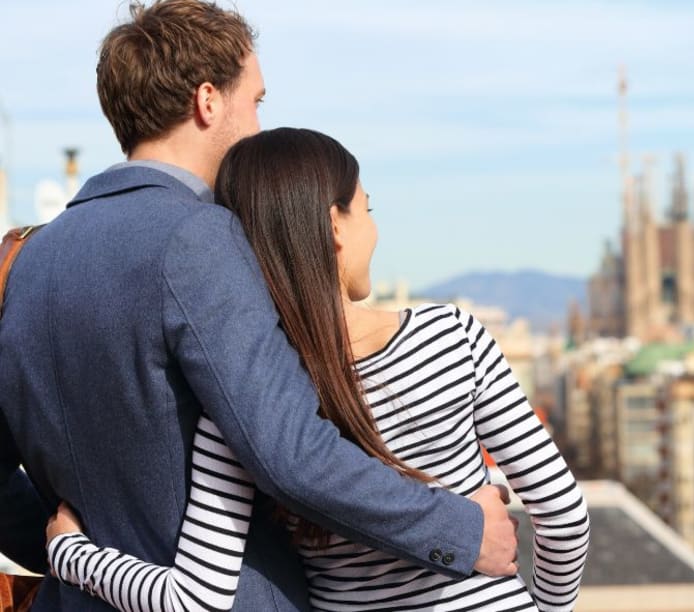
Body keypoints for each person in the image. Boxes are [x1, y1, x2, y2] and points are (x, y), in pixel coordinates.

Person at [0, 2, 519, 610]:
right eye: (257, 102)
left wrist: (70, 554)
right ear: (208, 101)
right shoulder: (199, 238)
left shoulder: (30, 261)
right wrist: (459, 529)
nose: (258, 125)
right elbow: (290, 451)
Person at [46, 128, 590, 611]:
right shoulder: (453, 337)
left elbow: (194, 599)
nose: (374, 232)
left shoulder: (248, 395)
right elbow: (563, 514)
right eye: (368, 210)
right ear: (335, 225)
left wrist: (72, 554)